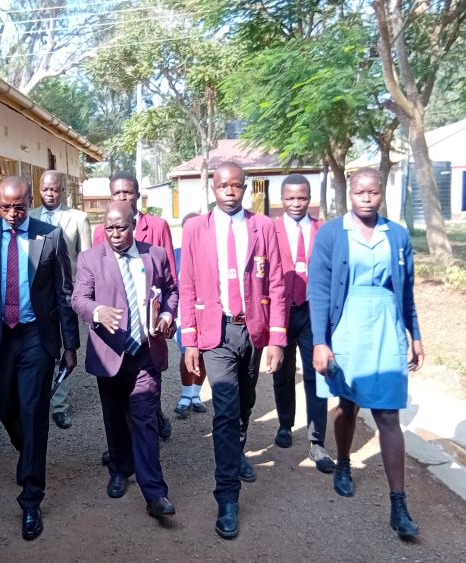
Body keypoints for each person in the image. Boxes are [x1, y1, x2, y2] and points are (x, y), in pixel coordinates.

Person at [0, 176, 79, 541]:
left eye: (20, 207)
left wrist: (69, 345)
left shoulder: (49, 236)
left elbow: (63, 292)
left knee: (32, 411)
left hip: (35, 337)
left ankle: (30, 498)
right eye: (6, 206)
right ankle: (30, 453)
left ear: (31, 201)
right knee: (5, 407)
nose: (13, 213)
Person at [308, 167, 425, 539]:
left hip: (386, 328)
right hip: (347, 329)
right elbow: (320, 292)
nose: (367, 197)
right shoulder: (331, 233)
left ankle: (398, 503)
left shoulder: (398, 235)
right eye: (360, 192)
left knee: (388, 414)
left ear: (380, 194)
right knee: (346, 405)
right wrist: (320, 341)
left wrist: (414, 334)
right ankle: (343, 462)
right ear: (350, 194)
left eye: (373, 192)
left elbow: (406, 290)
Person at [179, 161, 287, 539]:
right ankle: (227, 497)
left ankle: (238, 450)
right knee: (224, 408)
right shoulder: (195, 228)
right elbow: (188, 284)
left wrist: (276, 338)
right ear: (213, 188)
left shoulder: (263, 227)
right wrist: (189, 339)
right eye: (223, 185)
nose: (229, 191)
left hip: (253, 330)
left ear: (245, 189)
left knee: (245, 402)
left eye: (236, 186)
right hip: (216, 332)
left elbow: (275, 283)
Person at [72, 202, 178, 519]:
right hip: (110, 353)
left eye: (122, 227)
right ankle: (119, 468)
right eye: (110, 227)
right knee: (116, 419)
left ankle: (155, 494)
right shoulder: (90, 259)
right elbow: (78, 298)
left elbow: (171, 291)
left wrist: (168, 315)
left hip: (146, 351)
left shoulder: (154, 255)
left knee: (145, 421)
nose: (115, 234)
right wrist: (97, 312)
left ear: (133, 225)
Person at [93, 172, 176, 447]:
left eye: (127, 193)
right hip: (116, 326)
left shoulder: (157, 226)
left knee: (146, 389)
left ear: (138, 195)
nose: (121, 198)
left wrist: (168, 314)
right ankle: (122, 449)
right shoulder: (101, 230)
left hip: (147, 322)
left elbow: (168, 277)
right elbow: (98, 274)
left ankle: (149, 427)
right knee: (117, 392)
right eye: (116, 194)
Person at [270, 175, 335, 474]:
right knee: (282, 373)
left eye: (302, 198)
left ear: (310, 198)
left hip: (313, 313)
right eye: (290, 198)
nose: (296, 204)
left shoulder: (324, 230)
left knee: (315, 375)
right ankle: (285, 424)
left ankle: (316, 438)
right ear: (281, 199)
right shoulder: (269, 228)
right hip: (281, 312)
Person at [30, 170, 93, 431]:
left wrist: (84, 295)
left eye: (55, 189)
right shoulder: (30, 217)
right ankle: (37, 398)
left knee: (67, 346)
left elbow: (87, 259)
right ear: (39, 189)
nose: (50, 194)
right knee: (41, 346)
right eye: (45, 189)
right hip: (38, 295)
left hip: (67, 293)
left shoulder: (78, 218)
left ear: (63, 190)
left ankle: (59, 406)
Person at [173, 213, 207, 418]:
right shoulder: (176, 254)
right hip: (183, 314)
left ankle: (196, 395)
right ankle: (185, 394)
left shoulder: (211, 253)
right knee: (187, 351)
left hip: (207, 314)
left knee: (204, 354)